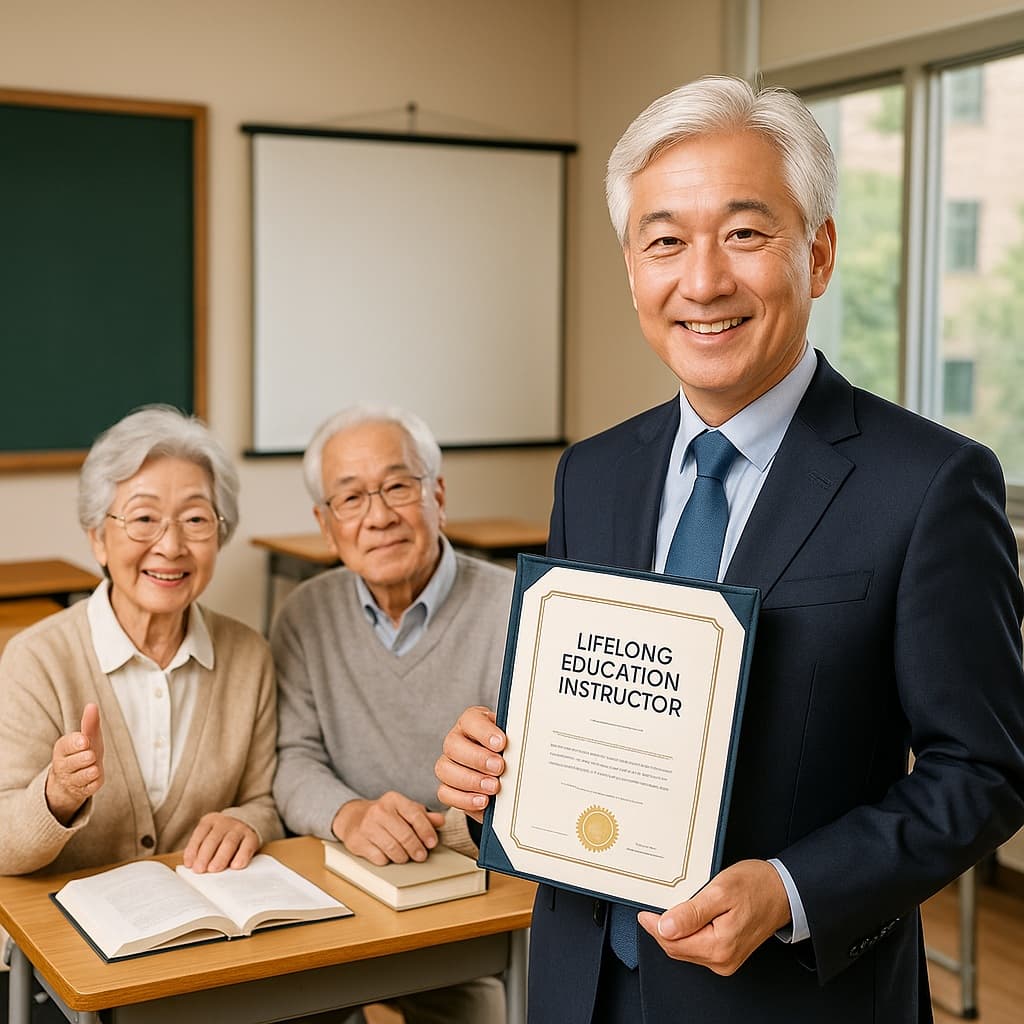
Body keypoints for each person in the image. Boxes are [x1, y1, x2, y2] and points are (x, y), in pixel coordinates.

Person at [435, 76, 1024, 1023]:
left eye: (745, 233)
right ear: (632, 269)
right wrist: (495, 771)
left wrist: (792, 891)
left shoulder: (930, 484)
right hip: (582, 987)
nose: (703, 282)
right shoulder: (591, 473)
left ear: (818, 254)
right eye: (665, 241)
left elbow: (985, 771)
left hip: (792, 999)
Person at [271, 403, 514, 1024]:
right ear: (327, 526)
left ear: (438, 496)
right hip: (338, 886)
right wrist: (350, 815)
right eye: (351, 498)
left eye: (398, 486)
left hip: (468, 899)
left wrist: (438, 835)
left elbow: (528, 784)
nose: (378, 516)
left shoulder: (516, 607)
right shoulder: (302, 614)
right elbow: (293, 758)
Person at [0, 405, 282, 877]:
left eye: (195, 519)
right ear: (98, 538)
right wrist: (58, 795)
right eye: (144, 518)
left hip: (205, 916)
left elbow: (263, 800)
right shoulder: (36, 660)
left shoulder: (250, 656)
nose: (170, 546)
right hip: (62, 922)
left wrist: (247, 822)